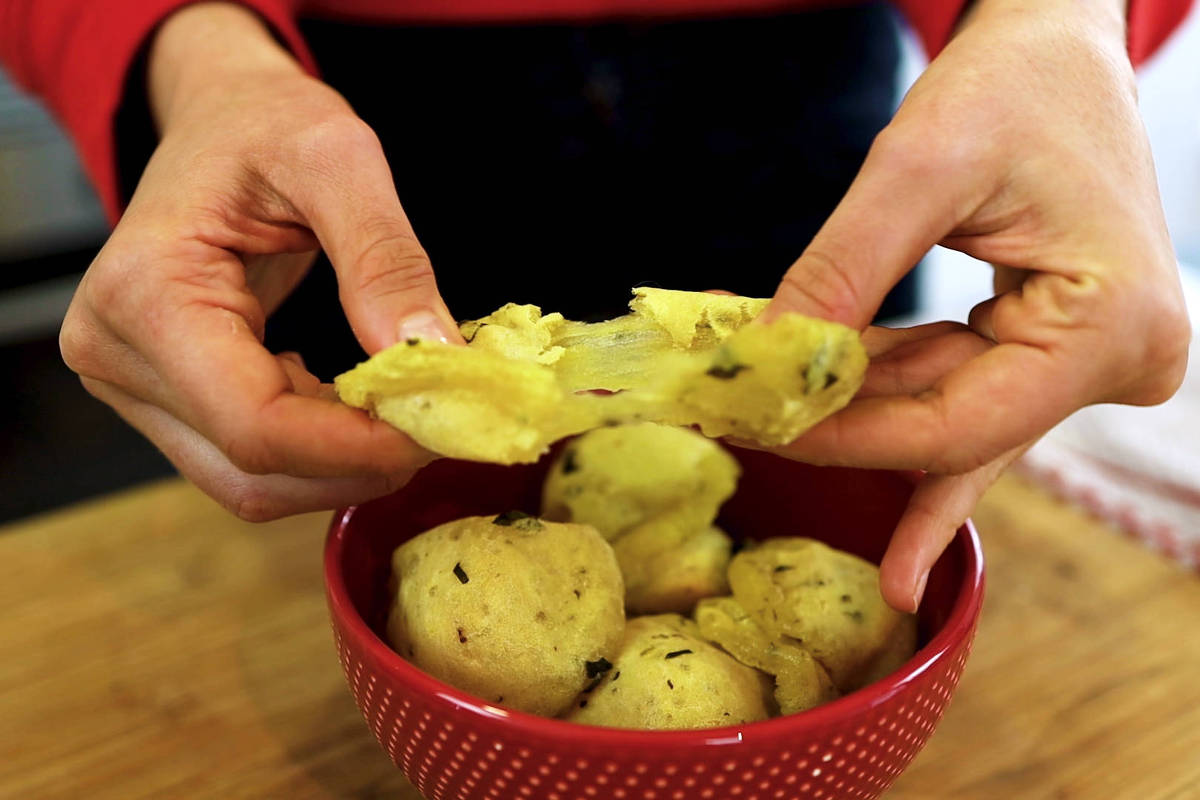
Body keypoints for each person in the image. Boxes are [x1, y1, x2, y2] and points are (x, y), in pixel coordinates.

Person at [0, 0, 1191, 613]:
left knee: (819, 460)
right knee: (333, 483)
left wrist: (1058, 20)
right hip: (328, 105)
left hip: (797, 99)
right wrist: (185, 55)